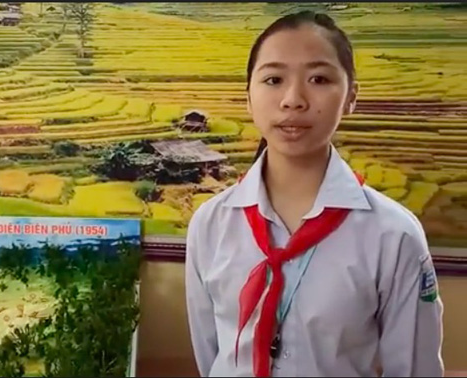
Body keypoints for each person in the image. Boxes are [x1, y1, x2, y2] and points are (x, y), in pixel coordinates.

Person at [185, 10, 444, 377]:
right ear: (248, 97)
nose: (293, 99)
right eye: (273, 79)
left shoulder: (393, 235)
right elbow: (210, 355)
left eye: (319, 78)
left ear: (351, 96)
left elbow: (415, 369)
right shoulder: (210, 224)